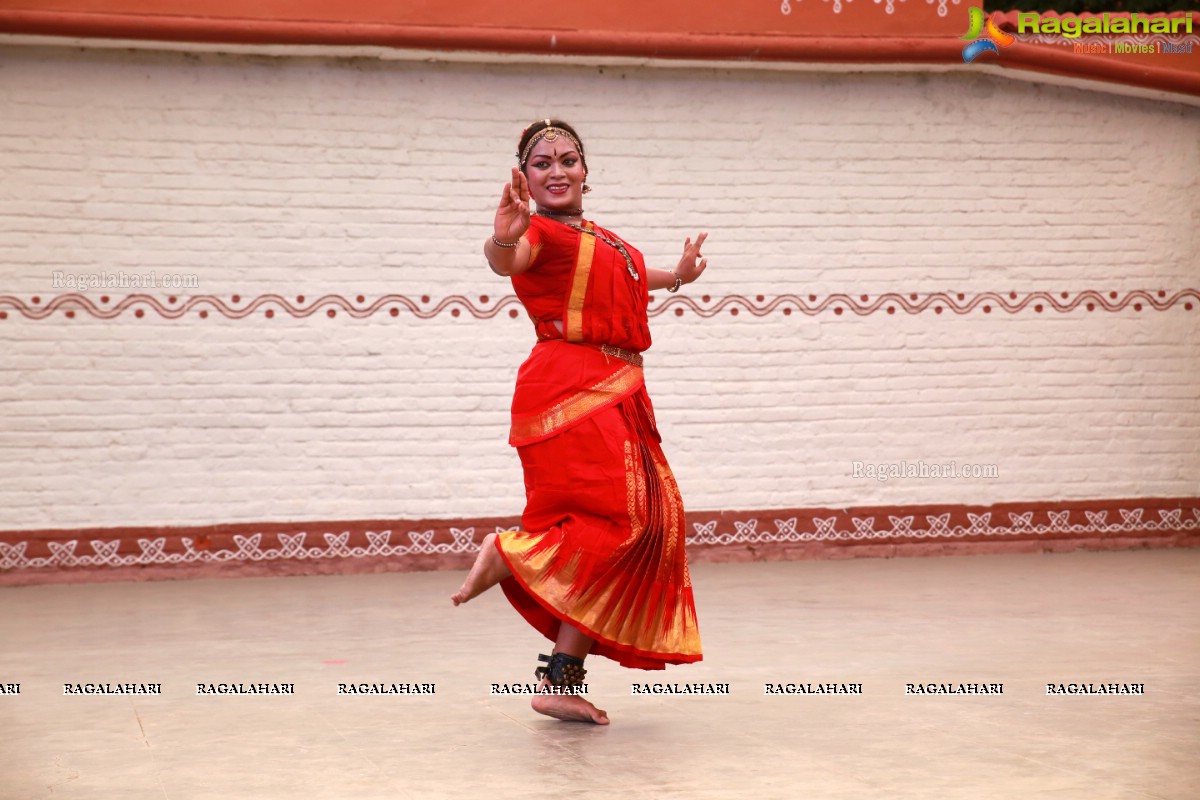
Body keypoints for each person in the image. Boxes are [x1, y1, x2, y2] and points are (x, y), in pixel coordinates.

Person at [451, 119, 708, 724]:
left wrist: (678, 276)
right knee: (623, 520)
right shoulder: (533, 230)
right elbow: (509, 259)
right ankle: (511, 552)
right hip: (570, 387)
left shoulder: (602, 238)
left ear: (586, 171)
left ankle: (561, 680)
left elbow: (632, 280)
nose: (557, 170)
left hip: (618, 387)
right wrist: (502, 239)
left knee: (649, 521)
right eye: (542, 164)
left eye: (568, 159)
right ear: (527, 178)